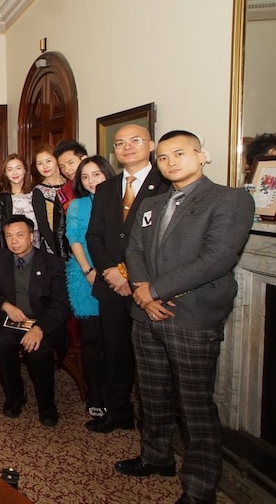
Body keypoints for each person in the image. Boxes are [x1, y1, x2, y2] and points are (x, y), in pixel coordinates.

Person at [116, 131, 254, 504]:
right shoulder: (151, 203)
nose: (171, 162)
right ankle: (156, 456)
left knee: (194, 405)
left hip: (191, 316)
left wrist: (155, 291)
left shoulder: (230, 200)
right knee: (152, 394)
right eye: (163, 157)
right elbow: (134, 250)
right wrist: (144, 295)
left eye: (179, 153)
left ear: (202, 155)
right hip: (146, 316)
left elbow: (217, 259)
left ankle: (199, 488)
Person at [85, 123, 169, 433]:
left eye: (135, 141)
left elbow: (163, 241)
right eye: (119, 143)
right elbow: (95, 235)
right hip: (110, 286)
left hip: (149, 287)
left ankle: (155, 426)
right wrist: (111, 272)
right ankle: (118, 411)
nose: (127, 147)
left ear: (150, 145)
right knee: (115, 351)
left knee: (150, 358)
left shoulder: (166, 184)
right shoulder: (107, 188)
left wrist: (131, 277)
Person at [0, 215, 71, 427]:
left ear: (32, 236)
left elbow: (61, 304)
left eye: (19, 235)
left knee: (38, 350)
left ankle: (47, 404)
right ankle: (15, 396)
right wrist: (6, 305)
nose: (14, 241)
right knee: (1, 343)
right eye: (9, 236)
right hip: (14, 319)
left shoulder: (52, 263)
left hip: (44, 322)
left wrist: (39, 328)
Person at [65, 155, 115, 418]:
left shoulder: (121, 202)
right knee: (93, 340)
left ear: (107, 174)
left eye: (96, 174)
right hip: (85, 276)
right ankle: (95, 395)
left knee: (115, 341)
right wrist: (88, 271)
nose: (91, 181)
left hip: (118, 276)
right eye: (85, 177)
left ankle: (115, 397)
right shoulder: (77, 205)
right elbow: (73, 238)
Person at [0, 153, 52, 253]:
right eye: (10, 169)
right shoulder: (1, 198)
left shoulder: (36, 193)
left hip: (37, 248)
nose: (15, 173)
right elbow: (1, 229)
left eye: (18, 168)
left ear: (25, 170)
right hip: (13, 249)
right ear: (5, 173)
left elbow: (44, 225)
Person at [32, 144, 69, 258]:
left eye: (48, 161)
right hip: (53, 248)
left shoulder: (71, 183)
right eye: (40, 163)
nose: (45, 166)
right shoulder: (39, 191)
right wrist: (59, 252)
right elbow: (44, 228)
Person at [53, 140, 89, 212]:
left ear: (84, 159)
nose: (66, 170)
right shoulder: (63, 193)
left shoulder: (100, 184)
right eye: (62, 167)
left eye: (71, 163)